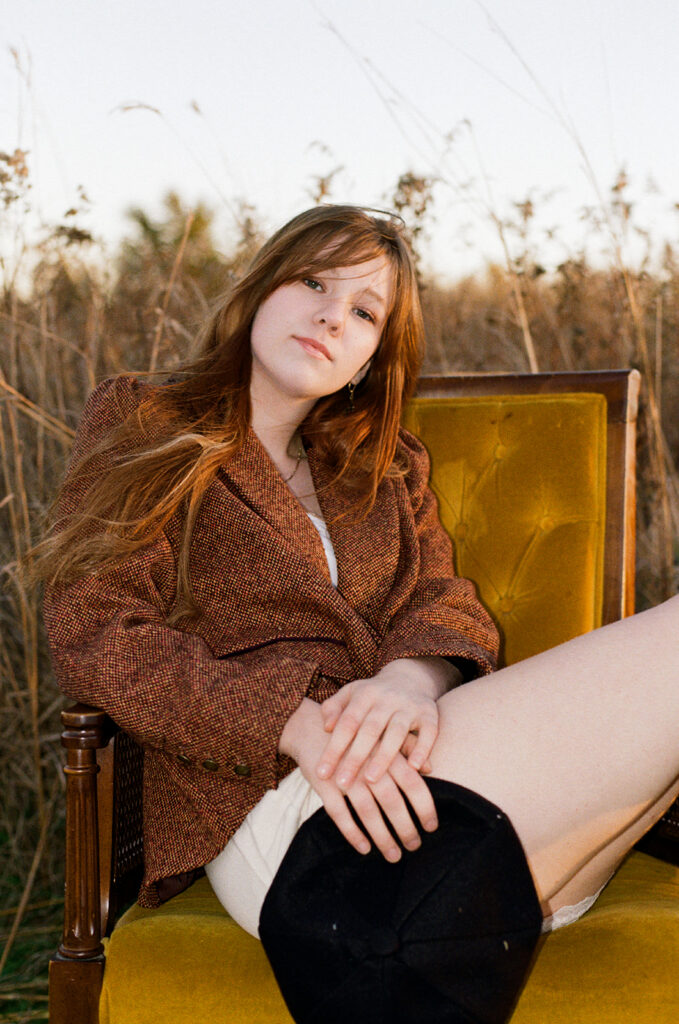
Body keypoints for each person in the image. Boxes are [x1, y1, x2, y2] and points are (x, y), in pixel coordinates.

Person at [39, 205, 678, 1010]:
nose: (331, 316)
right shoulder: (148, 419)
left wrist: (412, 679)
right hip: (287, 806)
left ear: (374, 355)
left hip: (427, 792)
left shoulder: (383, 464)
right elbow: (95, 632)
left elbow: (440, 600)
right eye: (313, 281)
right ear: (261, 289)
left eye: (364, 311)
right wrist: (290, 721)